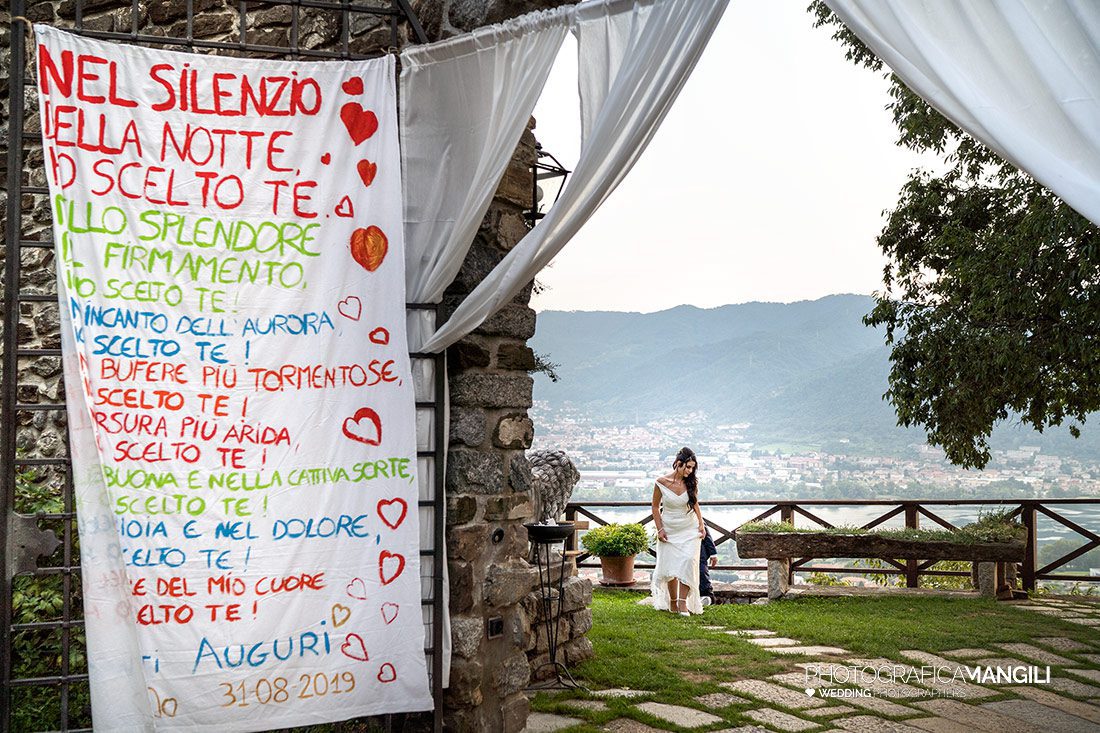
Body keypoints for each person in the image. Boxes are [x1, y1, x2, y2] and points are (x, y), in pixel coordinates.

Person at [651, 447, 706, 615]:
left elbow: (695, 504)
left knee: (689, 561)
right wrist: (660, 529)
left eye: (692, 468)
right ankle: (673, 602)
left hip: (689, 528)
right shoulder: (661, 482)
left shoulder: (691, 483)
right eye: (688, 467)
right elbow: (655, 507)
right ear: (678, 463)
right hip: (669, 528)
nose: (690, 471)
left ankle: (683, 603)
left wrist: (701, 524)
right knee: (670, 566)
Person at [699, 529, 718, 606]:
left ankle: (707, 596)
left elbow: (706, 534)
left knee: (701, 572)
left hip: (699, 550)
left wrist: (713, 554)